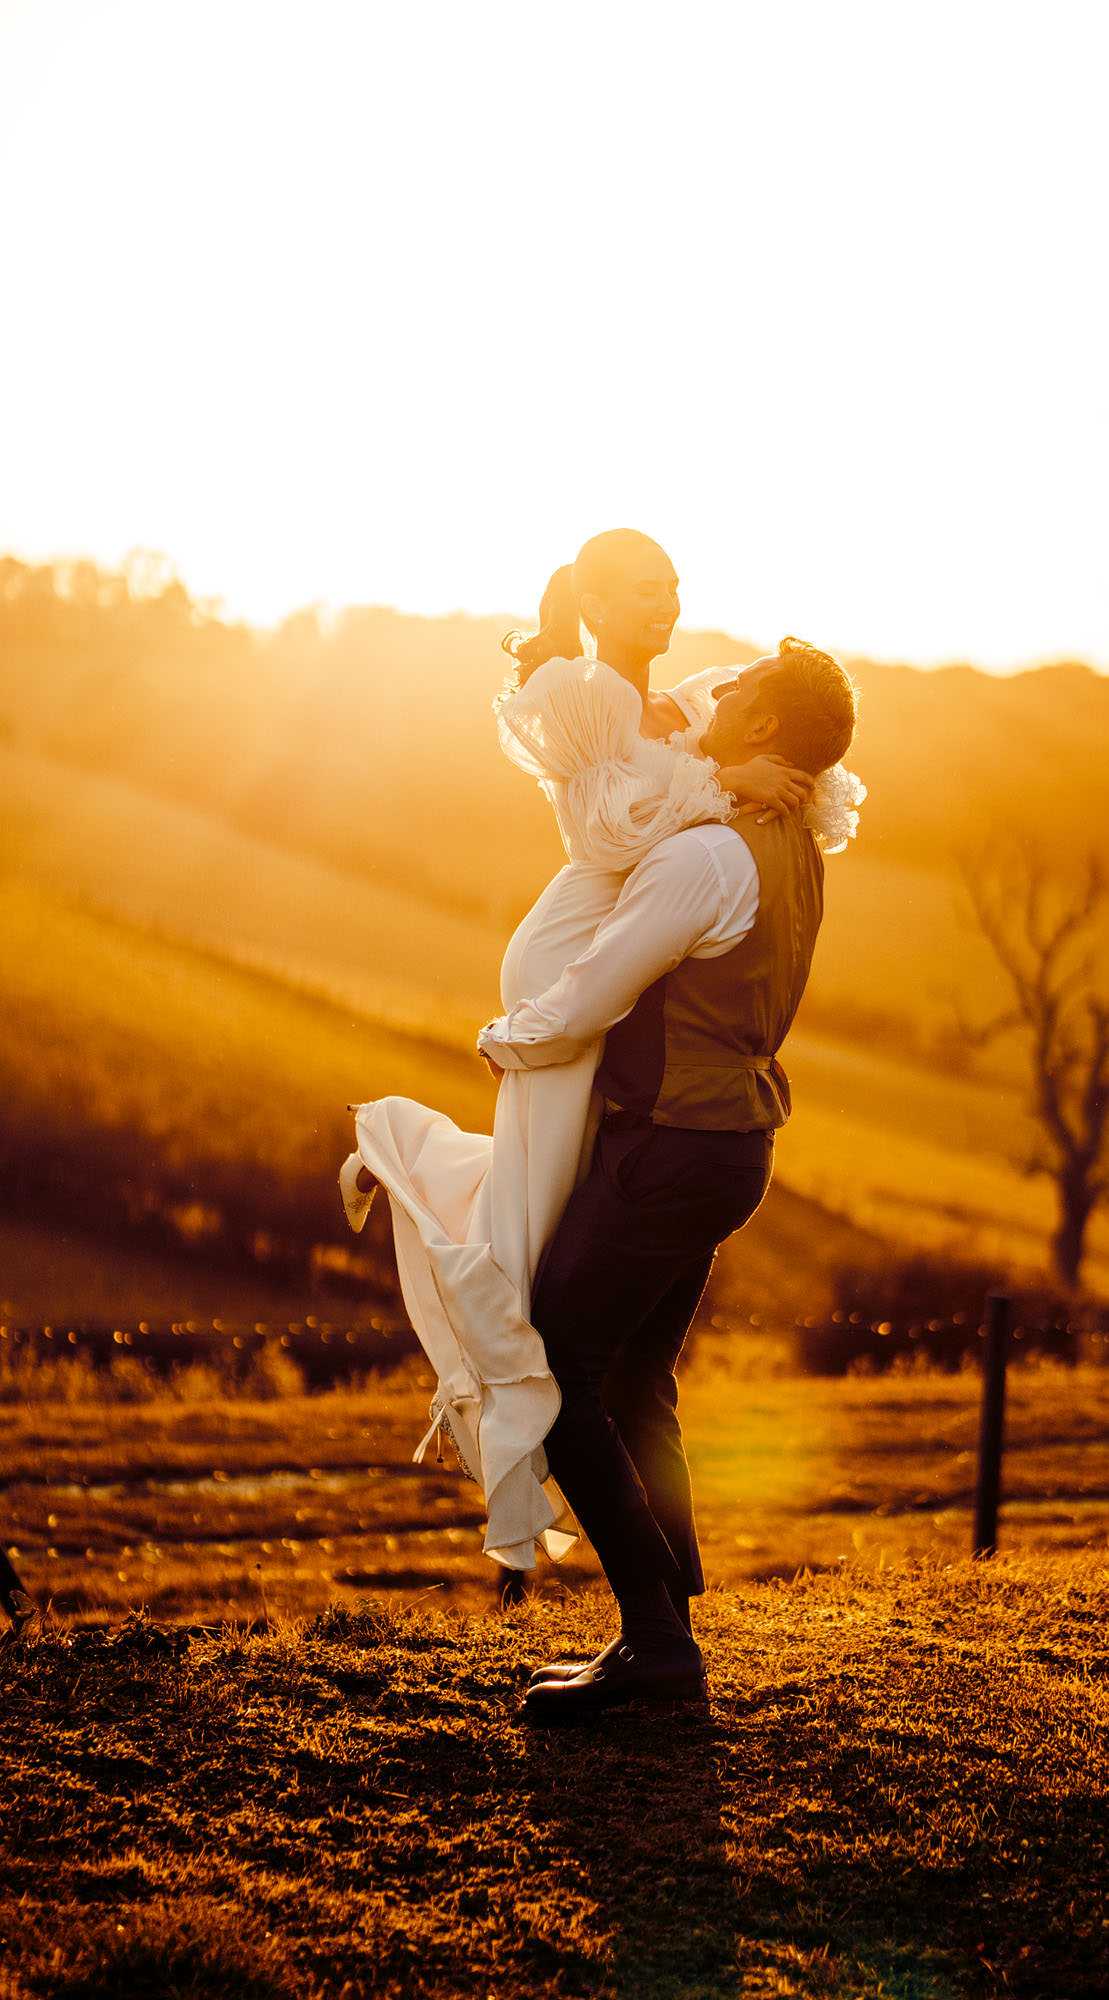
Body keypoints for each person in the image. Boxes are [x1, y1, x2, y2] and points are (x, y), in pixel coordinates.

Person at [340, 531, 847, 1572]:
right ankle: (664, 1612)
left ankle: (663, 1616)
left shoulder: (696, 727)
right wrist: (726, 775)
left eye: (674, 584)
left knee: (569, 1300)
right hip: (581, 986)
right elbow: (614, 836)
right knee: (557, 1262)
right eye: (643, 588)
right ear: (595, 604)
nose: (668, 604)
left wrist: (731, 767)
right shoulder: (596, 708)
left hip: (617, 1026)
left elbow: (771, 736)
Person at [478, 639, 862, 1722]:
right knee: (637, 1377)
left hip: (672, 1145)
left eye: (740, 687)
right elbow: (681, 726)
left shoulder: (707, 858)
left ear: (765, 728)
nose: (717, 688)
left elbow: (601, 981)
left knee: (557, 1364)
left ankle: (656, 1642)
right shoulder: (792, 838)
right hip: (729, 1144)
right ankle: (664, 1632)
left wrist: (510, 1035)